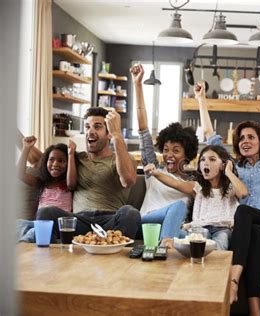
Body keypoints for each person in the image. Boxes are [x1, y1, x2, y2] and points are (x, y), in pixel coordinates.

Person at [195, 82, 260, 316]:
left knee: (243, 212)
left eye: (251, 137)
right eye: (241, 138)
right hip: (253, 228)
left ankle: (233, 280)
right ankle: (255, 310)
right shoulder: (234, 167)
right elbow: (210, 137)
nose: (245, 141)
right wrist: (201, 99)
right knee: (255, 235)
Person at [36, 107, 141, 239]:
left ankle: (114, 253)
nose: (90, 131)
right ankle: (50, 258)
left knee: (130, 213)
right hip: (79, 221)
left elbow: (128, 181)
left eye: (97, 127)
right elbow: (41, 160)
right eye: (87, 127)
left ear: (109, 134)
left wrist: (117, 135)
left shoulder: (122, 158)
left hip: (109, 221)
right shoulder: (77, 158)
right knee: (46, 212)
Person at [130, 64, 199, 247]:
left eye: (175, 150)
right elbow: (143, 128)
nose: (169, 155)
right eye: (166, 149)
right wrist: (137, 85)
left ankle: (165, 243)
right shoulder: (153, 169)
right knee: (178, 207)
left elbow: (183, 187)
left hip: (173, 228)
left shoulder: (193, 181)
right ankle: (165, 247)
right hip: (146, 224)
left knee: (198, 234)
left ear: (187, 153)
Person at [145, 144, 248, 250]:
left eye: (212, 159)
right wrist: (155, 173)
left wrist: (228, 172)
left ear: (223, 165)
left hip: (222, 229)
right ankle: (166, 246)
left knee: (221, 240)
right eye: (203, 160)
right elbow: (175, 183)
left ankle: (214, 261)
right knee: (181, 237)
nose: (206, 162)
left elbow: (243, 193)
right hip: (200, 228)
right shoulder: (198, 188)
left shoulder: (230, 188)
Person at [16, 136, 77, 242]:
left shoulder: (68, 184)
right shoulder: (42, 183)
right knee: (19, 223)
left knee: (32, 232)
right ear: (46, 162)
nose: (55, 164)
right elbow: (20, 174)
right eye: (51, 160)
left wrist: (71, 154)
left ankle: (23, 244)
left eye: (61, 161)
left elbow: (71, 183)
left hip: (57, 226)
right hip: (39, 223)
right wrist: (26, 148)